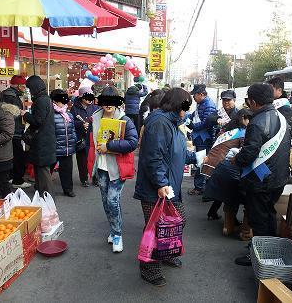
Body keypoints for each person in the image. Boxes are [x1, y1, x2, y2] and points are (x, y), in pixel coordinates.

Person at [134, 87, 196, 286]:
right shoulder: (160, 122)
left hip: (170, 187)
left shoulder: (173, 123)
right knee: (157, 229)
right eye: (185, 105)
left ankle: (167, 252)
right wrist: (161, 183)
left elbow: (177, 151)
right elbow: (154, 157)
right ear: (177, 104)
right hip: (157, 189)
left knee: (178, 222)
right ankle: (150, 270)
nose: (187, 110)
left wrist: (198, 157)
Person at [233, 83, 291, 266]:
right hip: (278, 176)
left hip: (261, 178)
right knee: (268, 214)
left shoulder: (256, 122)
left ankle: (259, 256)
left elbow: (250, 153)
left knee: (259, 218)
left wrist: (237, 160)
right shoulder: (280, 117)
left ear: (253, 101)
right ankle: (268, 250)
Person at [92, 86, 138, 253]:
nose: (109, 104)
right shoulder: (95, 117)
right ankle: (113, 229)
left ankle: (117, 234)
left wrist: (109, 146)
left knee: (112, 200)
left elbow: (133, 142)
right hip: (102, 167)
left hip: (117, 167)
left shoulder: (125, 119)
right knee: (106, 202)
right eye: (106, 100)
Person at [204, 109, 252, 220]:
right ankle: (231, 220)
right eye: (249, 119)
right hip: (221, 162)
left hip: (212, 160)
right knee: (231, 190)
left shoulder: (228, 128)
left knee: (223, 188)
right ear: (244, 118)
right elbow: (244, 149)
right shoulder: (242, 132)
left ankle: (213, 212)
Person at [21, 76, 56, 196]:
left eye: (30, 88)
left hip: (42, 142)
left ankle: (48, 198)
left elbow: (38, 121)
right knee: (41, 171)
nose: (29, 91)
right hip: (46, 140)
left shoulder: (41, 101)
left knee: (43, 172)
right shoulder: (46, 99)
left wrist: (25, 115)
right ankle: (43, 195)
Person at [187, 84, 217, 195]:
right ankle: (200, 186)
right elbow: (194, 116)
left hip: (205, 138)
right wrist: (187, 118)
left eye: (194, 95)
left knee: (201, 161)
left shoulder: (208, 104)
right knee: (201, 161)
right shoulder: (201, 103)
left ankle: (199, 187)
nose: (193, 98)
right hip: (200, 137)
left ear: (201, 94)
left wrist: (192, 125)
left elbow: (206, 123)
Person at [2, 75, 31, 189]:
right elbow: (13, 114)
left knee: (12, 155)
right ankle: (17, 180)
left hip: (10, 130)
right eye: (23, 86)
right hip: (14, 130)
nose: (25, 88)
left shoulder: (8, 94)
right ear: (18, 85)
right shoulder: (12, 97)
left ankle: (11, 176)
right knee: (19, 156)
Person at [50, 89, 77, 197]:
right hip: (54, 148)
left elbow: (73, 129)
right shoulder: (50, 114)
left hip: (67, 148)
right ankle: (40, 187)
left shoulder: (69, 115)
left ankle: (68, 189)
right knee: (47, 170)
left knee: (67, 171)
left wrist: (74, 139)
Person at [70, 86, 98, 187]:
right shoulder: (74, 108)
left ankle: (95, 178)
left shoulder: (95, 108)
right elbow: (71, 122)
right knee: (82, 160)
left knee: (95, 159)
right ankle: (84, 179)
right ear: (82, 97)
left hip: (93, 137)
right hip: (80, 137)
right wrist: (81, 124)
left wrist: (91, 124)